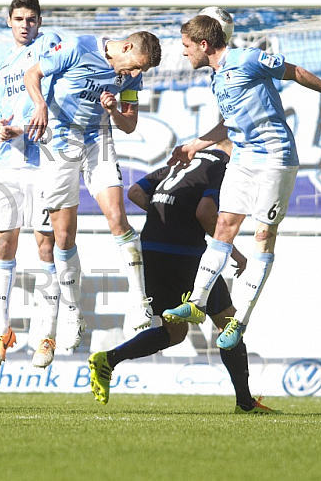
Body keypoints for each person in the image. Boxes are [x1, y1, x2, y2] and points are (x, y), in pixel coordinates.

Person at [160, 14, 321, 351]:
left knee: (263, 236)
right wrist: (195, 144)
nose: (183, 53)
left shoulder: (247, 59)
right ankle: (196, 302)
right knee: (223, 224)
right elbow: (230, 124)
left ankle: (240, 320)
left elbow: (294, 71)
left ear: (203, 45)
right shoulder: (218, 79)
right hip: (243, 157)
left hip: (275, 157)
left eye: (186, 46)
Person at [88, 141, 280, 414]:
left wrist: (170, 215)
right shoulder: (221, 166)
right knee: (229, 322)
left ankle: (108, 359)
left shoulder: (183, 162)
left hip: (152, 248)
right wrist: (234, 252)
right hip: (185, 255)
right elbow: (205, 212)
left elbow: (135, 192)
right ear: (233, 146)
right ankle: (245, 403)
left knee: (175, 332)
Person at [23, 30, 162, 350]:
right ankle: (72, 314)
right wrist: (40, 104)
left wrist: (113, 110)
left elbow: (129, 124)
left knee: (117, 218)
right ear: (126, 47)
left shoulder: (130, 79)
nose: (134, 74)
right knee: (64, 235)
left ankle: (141, 301)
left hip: (97, 139)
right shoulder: (76, 47)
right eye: (135, 65)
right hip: (59, 142)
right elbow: (34, 74)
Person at [0, 0, 62, 369]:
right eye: (19, 18)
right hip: (7, 164)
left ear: (40, 22)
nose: (25, 25)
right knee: (4, 244)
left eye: (32, 19)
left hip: (44, 163)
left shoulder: (49, 51)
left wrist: (25, 125)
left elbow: (50, 103)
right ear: (9, 22)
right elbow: (0, 111)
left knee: (45, 247)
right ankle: (1, 332)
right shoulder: (2, 67)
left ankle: (46, 336)